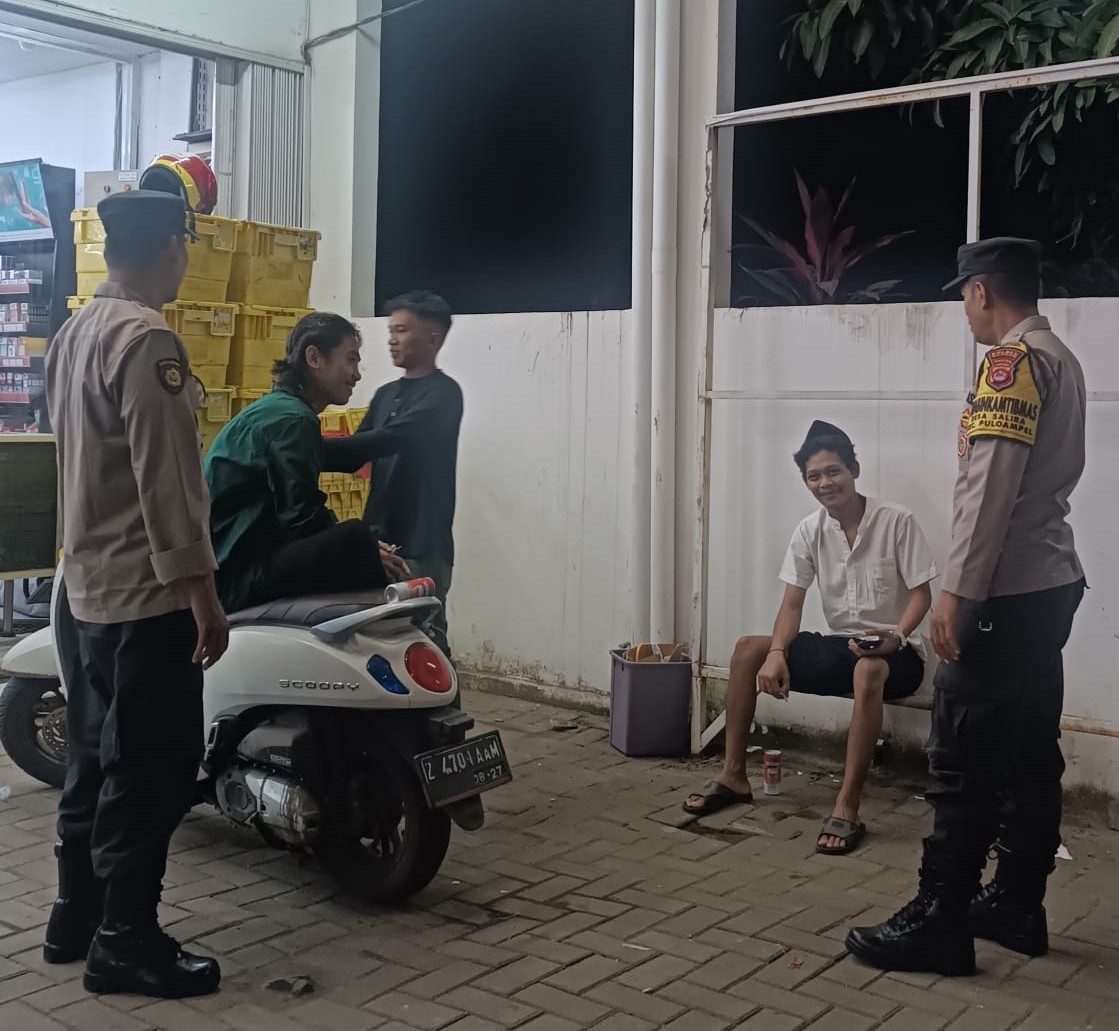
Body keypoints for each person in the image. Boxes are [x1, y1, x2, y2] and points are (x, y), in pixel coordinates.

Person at [846, 238, 1088, 976]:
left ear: (981, 290)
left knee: (961, 760)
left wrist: (958, 591)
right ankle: (1014, 904)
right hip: (1046, 587)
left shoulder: (1011, 364)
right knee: (1028, 752)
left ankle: (939, 920)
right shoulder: (1061, 357)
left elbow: (988, 491)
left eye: (963, 295)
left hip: (1001, 594)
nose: (963, 309)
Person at [44, 190, 228, 998]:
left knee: (92, 754)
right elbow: (168, 482)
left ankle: (74, 914)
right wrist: (202, 592)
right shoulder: (148, 338)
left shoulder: (76, 330)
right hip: (146, 597)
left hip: (86, 587)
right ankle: (126, 940)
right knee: (150, 765)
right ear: (172, 250)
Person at [684, 421, 937, 854]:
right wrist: (776, 653)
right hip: (843, 647)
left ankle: (847, 804)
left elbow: (922, 595)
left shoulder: (896, 521)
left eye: (833, 471)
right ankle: (733, 776)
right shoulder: (809, 530)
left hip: (898, 654)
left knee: (868, 669)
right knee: (748, 650)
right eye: (813, 476)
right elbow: (792, 605)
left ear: (854, 469)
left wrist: (896, 635)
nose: (825, 483)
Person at [204, 312, 409, 613]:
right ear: (314, 358)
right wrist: (363, 548)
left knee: (365, 539)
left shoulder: (277, 410)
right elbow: (302, 517)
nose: (357, 375)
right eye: (350, 360)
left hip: (240, 562)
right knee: (355, 537)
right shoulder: (293, 420)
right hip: (235, 577)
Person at [323, 291, 463, 655]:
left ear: (432, 338)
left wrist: (304, 445)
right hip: (380, 541)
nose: (391, 339)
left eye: (401, 330)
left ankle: (447, 694)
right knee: (383, 643)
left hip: (422, 543)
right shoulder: (385, 394)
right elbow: (354, 454)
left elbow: (388, 439)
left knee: (427, 644)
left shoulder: (445, 395)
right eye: (390, 330)